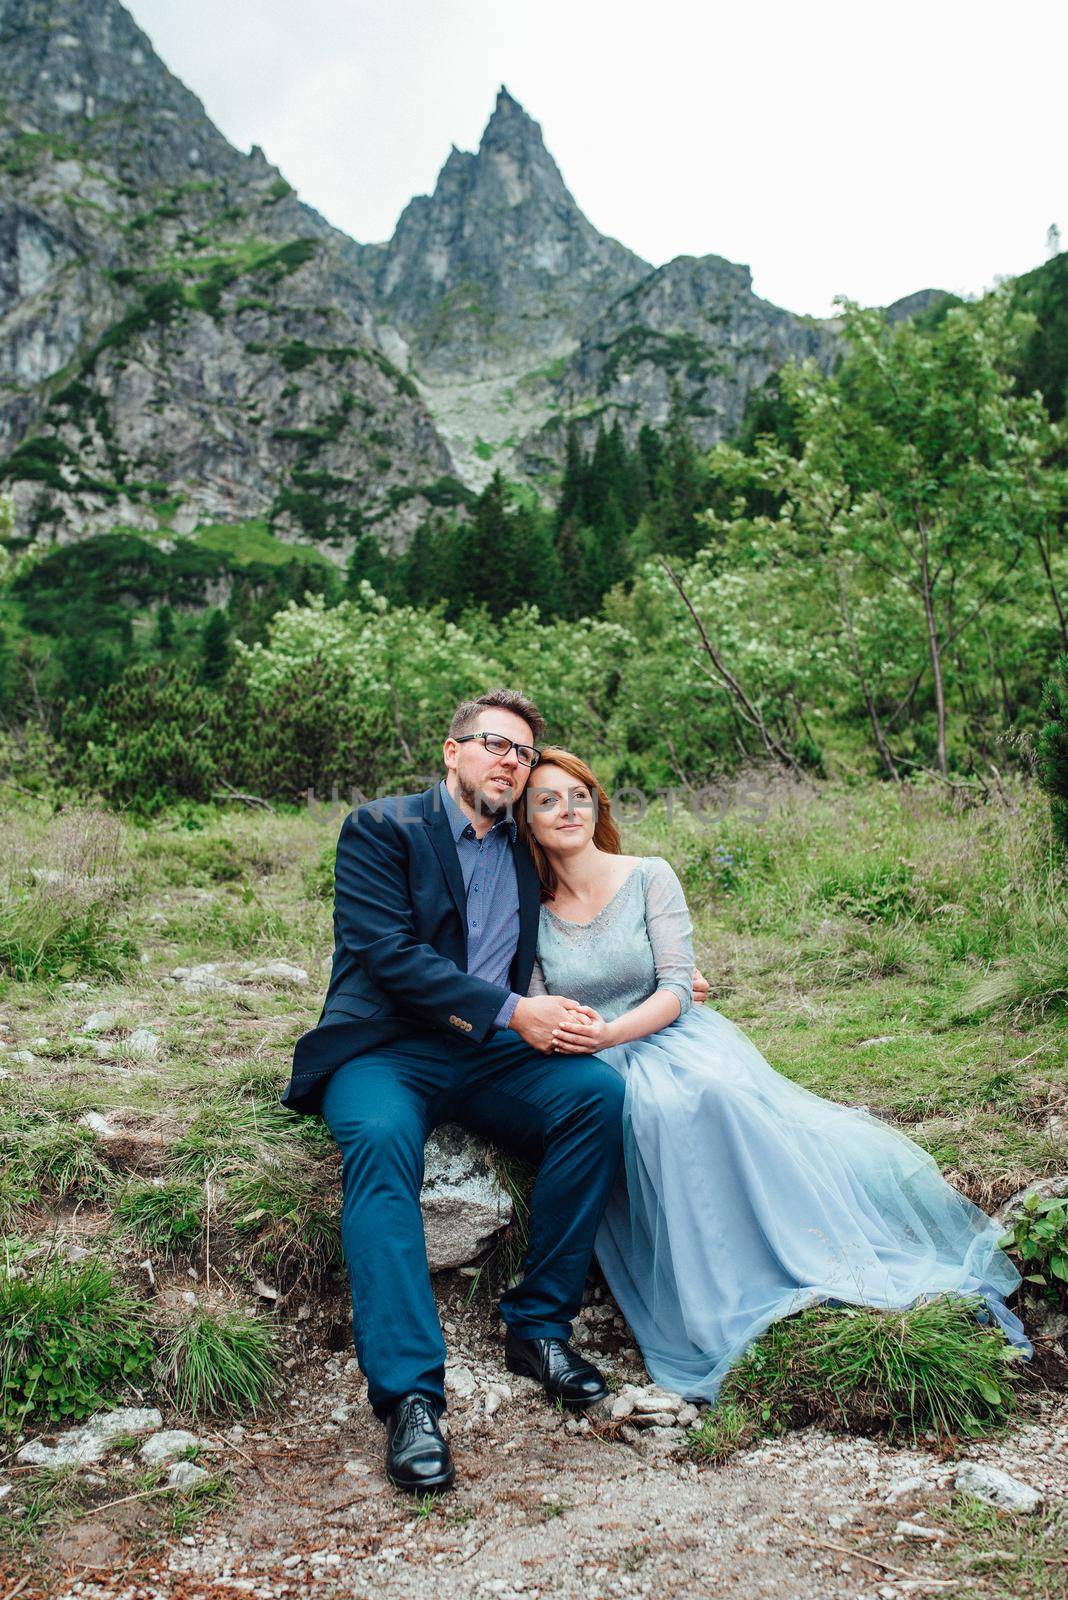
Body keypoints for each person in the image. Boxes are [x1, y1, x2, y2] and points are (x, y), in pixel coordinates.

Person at [521, 746, 1032, 1403]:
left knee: (711, 1095)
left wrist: (618, 1029)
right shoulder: (529, 910)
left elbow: (679, 984)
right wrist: (588, 1040)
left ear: (597, 804)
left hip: (668, 1036)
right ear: (527, 822)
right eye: (546, 801)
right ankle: (713, 1296)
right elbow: (541, 1004)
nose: (567, 810)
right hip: (594, 1058)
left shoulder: (649, 875)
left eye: (578, 795)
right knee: (643, 1113)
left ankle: (803, 1258)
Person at [282, 690, 631, 1494]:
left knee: (595, 1099)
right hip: (386, 1048)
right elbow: (386, 953)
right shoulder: (382, 827)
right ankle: (409, 1396)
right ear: (451, 751)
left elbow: (590, 910)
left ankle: (538, 1327)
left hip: (489, 1056)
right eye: (493, 744)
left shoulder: (526, 846)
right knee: (378, 1144)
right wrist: (515, 1011)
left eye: (522, 752)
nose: (510, 760)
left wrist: (663, 982)